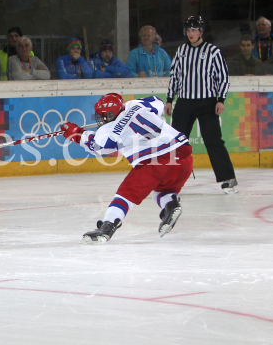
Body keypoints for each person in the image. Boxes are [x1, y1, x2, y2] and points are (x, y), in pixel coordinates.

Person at [60, 94, 192, 243]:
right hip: (184, 157)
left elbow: (99, 147)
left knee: (125, 194)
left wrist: (76, 134)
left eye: (104, 116)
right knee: (163, 190)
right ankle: (171, 205)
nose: (101, 119)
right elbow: (158, 101)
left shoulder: (110, 130)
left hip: (156, 163)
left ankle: (107, 227)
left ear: (110, 114)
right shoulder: (136, 104)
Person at [165, 16, 237, 193]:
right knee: (175, 142)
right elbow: (175, 77)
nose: (191, 33)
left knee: (213, 141)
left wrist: (221, 99)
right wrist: (169, 99)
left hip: (207, 102)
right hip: (184, 102)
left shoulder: (212, 51)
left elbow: (223, 77)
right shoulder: (181, 51)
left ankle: (228, 178)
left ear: (201, 31)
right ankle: (169, 179)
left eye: (194, 30)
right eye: (188, 30)